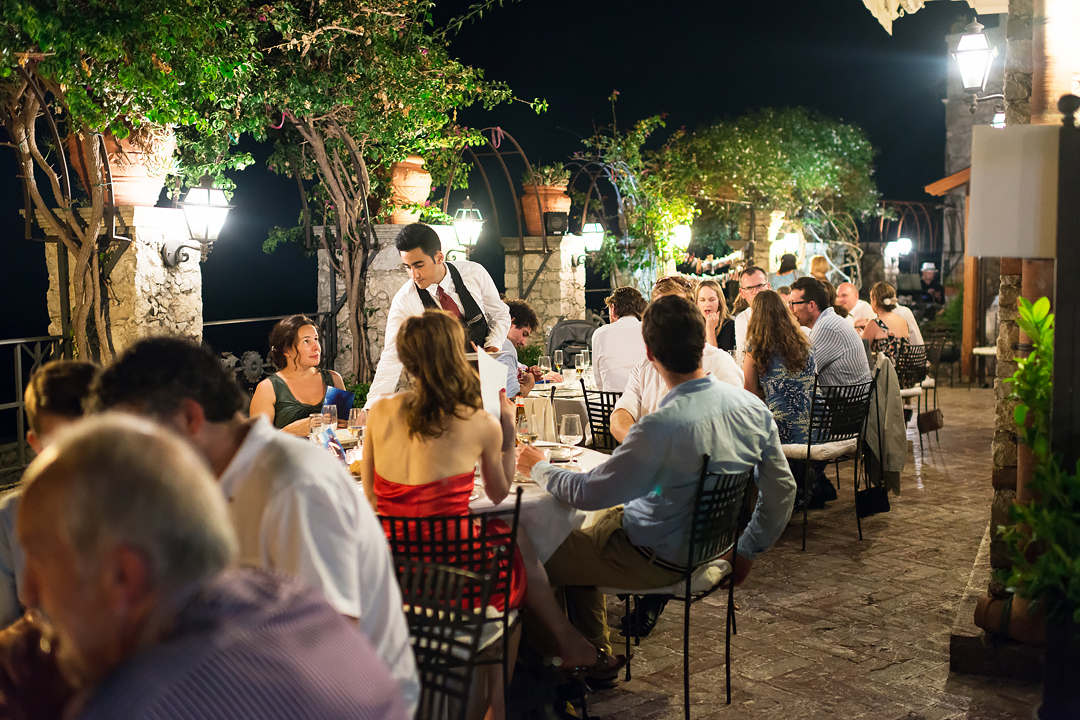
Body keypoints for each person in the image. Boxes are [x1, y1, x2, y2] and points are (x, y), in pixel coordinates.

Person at [90, 337, 419, 714]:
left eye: (141, 444)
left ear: (189, 419)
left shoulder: (293, 483)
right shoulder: (219, 481)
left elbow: (331, 652)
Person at [6, 414, 406, 720]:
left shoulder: (139, 706)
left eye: (39, 561)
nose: (29, 594)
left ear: (123, 575)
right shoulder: (290, 599)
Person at [516, 295, 797, 668]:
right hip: (711, 548)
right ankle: (596, 653)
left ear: (649, 352)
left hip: (652, 558)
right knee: (573, 534)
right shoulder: (752, 409)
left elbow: (588, 493)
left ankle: (564, 660)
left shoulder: (659, 426)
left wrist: (536, 465)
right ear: (702, 343)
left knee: (524, 555)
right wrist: (746, 548)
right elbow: (783, 490)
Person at [362, 312, 613, 713]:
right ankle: (497, 701)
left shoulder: (379, 413)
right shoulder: (478, 421)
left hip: (397, 571)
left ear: (407, 360)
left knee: (512, 540)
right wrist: (508, 431)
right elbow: (497, 493)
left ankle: (558, 649)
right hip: (456, 573)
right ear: (456, 356)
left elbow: (372, 500)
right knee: (512, 558)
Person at [367, 223, 510, 407]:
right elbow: (391, 356)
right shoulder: (405, 300)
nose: (414, 275)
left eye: (419, 265)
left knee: (496, 432)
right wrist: (371, 406)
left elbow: (500, 314)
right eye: (407, 267)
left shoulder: (474, 272)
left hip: (487, 379)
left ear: (439, 257)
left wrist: (492, 347)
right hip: (443, 392)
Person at [0, 360, 98, 628]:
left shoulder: (146, 504)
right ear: (36, 444)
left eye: (91, 443)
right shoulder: (9, 519)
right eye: (62, 447)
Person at [610, 276, 743, 444]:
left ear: (693, 311)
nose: (667, 318)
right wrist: (645, 445)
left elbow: (731, 429)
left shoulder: (720, 362)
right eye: (660, 310)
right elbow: (621, 415)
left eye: (676, 307)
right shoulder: (645, 366)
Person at [249, 314, 345, 436]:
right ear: (286, 350)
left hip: (330, 455)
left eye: (316, 339)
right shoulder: (268, 388)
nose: (316, 347)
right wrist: (291, 431)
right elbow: (257, 444)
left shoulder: (334, 379)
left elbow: (345, 430)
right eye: (306, 341)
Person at [742, 291, 816, 445]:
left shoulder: (756, 348)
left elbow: (749, 394)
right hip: (817, 430)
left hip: (782, 433)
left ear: (755, 316)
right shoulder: (805, 343)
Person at [789, 277, 871, 386]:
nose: (790, 309)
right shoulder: (827, 321)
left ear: (811, 305)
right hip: (847, 399)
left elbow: (802, 372)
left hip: (843, 401)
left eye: (793, 303)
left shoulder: (827, 327)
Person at [590, 286, 647, 392]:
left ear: (612, 308)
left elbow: (599, 383)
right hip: (644, 405)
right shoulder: (648, 330)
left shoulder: (600, 333)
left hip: (610, 405)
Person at [498, 299, 542, 399]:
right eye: (524, 334)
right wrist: (529, 385)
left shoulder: (490, 342)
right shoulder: (505, 346)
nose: (524, 343)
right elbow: (513, 397)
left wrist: (527, 372)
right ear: (511, 322)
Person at [860, 281, 911, 363]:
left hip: (885, 374)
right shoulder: (903, 321)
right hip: (904, 373)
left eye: (871, 299)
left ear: (876, 300)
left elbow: (861, 350)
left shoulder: (875, 323)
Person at [733, 266, 770, 366]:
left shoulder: (785, 313)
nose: (756, 292)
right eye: (749, 288)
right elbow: (741, 357)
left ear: (768, 287)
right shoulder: (741, 319)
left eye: (759, 286)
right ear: (742, 293)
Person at [696, 279, 735, 353]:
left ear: (719, 302)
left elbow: (716, 360)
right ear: (697, 303)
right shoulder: (694, 326)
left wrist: (710, 330)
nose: (707, 304)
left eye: (712, 300)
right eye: (702, 300)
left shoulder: (730, 325)